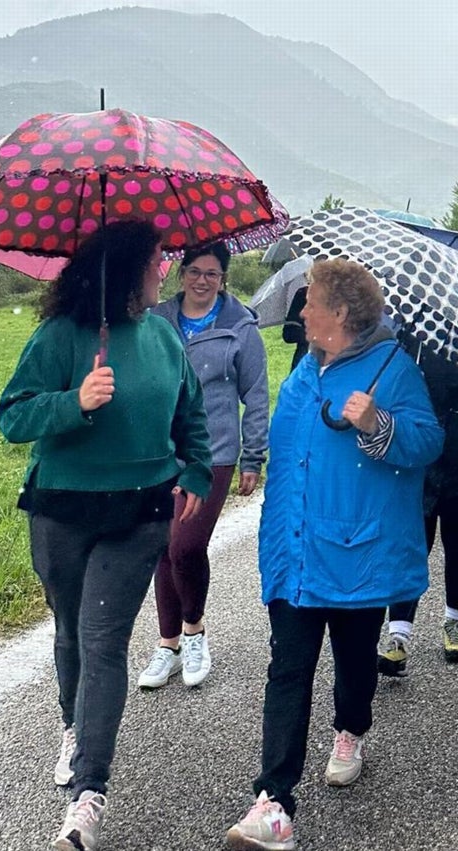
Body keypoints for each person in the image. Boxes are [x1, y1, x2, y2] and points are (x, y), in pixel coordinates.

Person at [0, 219, 212, 851]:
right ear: (127, 268)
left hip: (140, 512)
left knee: (104, 639)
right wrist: (74, 402)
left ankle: (88, 795)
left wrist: (196, 464)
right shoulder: (62, 336)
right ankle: (74, 725)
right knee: (69, 632)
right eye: (158, 259)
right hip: (62, 510)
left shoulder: (165, 339)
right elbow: (11, 415)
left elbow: (190, 412)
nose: (166, 269)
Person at [226, 258, 443, 851]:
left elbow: (427, 442)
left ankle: (350, 728)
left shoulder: (395, 369)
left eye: (311, 301)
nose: (301, 310)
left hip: (356, 552)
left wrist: (378, 422)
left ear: (340, 313)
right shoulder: (305, 367)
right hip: (296, 553)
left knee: (353, 663)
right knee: (288, 669)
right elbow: (289, 454)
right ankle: (274, 803)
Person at [136, 242, 269, 689]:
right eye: (194, 271)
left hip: (214, 454)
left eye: (212, 273)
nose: (202, 280)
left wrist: (253, 457)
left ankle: (194, 632)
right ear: (181, 273)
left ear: (223, 279)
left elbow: (256, 397)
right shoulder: (155, 320)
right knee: (162, 545)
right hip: (159, 452)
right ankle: (167, 644)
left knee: (185, 546)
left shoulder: (240, 327)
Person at [377, 341, 458, 677]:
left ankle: (455, 622)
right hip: (419, 449)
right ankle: (398, 635)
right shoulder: (413, 336)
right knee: (412, 544)